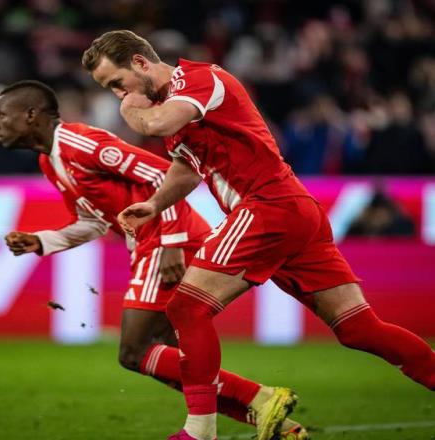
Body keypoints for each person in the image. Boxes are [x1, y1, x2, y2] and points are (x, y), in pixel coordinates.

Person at [81, 30, 435, 440]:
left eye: (117, 83)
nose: (118, 94)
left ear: (141, 63)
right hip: (292, 211)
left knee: (186, 309)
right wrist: (156, 204)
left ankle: (199, 432)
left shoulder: (198, 79)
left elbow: (158, 123)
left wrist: (131, 110)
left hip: (267, 206)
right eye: (111, 90)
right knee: (358, 328)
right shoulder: (176, 103)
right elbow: (189, 166)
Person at [0, 80, 309, 440]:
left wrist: (172, 239)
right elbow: (94, 222)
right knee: (176, 365)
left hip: (166, 240)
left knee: (134, 351)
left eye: (1, 115)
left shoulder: (81, 143)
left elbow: (161, 174)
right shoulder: (50, 162)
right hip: (154, 242)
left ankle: (258, 398)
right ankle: (282, 426)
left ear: (31, 115)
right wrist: (42, 241)